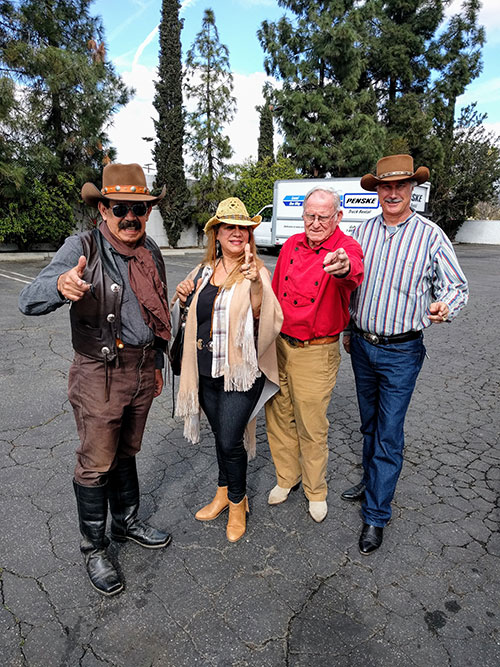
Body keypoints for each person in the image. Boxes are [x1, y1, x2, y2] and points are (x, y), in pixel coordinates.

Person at [19, 163, 172, 596]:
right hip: (99, 373)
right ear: (103, 209)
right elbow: (28, 300)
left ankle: (126, 522)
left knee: (127, 450)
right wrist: (60, 285)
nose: (130, 217)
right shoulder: (82, 246)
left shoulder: (151, 251)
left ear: (148, 212)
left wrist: (156, 365)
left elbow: (157, 315)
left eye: (138, 209)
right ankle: (95, 547)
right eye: (120, 208)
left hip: (141, 368)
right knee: (96, 462)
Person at [342, 154, 469, 555]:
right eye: (386, 186)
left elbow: (457, 286)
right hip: (362, 345)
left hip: (402, 350)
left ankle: (376, 514)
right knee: (369, 425)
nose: (393, 192)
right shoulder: (361, 232)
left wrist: (445, 305)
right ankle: (371, 481)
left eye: (401, 185)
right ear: (377, 190)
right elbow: (351, 285)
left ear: (413, 188)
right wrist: (347, 328)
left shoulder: (430, 235)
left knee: (389, 433)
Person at [172, 197, 283, 543]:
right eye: (229, 227)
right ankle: (223, 492)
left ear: (249, 235)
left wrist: (255, 284)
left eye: (243, 228)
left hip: (240, 374)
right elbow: (188, 316)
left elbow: (266, 316)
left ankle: (238, 503)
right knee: (221, 436)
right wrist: (182, 296)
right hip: (205, 371)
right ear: (216, 234)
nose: (237, 233)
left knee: (230, 438)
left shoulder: (256, 271)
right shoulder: (202, 271)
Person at [265, 187, 364, 522]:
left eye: (324, 216)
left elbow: (354, 270)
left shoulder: (345, 248)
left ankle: (315, 490)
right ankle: (286, 478)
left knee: (311, 424)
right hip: (280, 344)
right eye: (310, 215)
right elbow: (275, 293)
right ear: (303, 215)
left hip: (316, 351)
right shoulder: (291, 244)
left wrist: (344, 267)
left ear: (338, 216)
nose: (316, 222)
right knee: (279, 416)